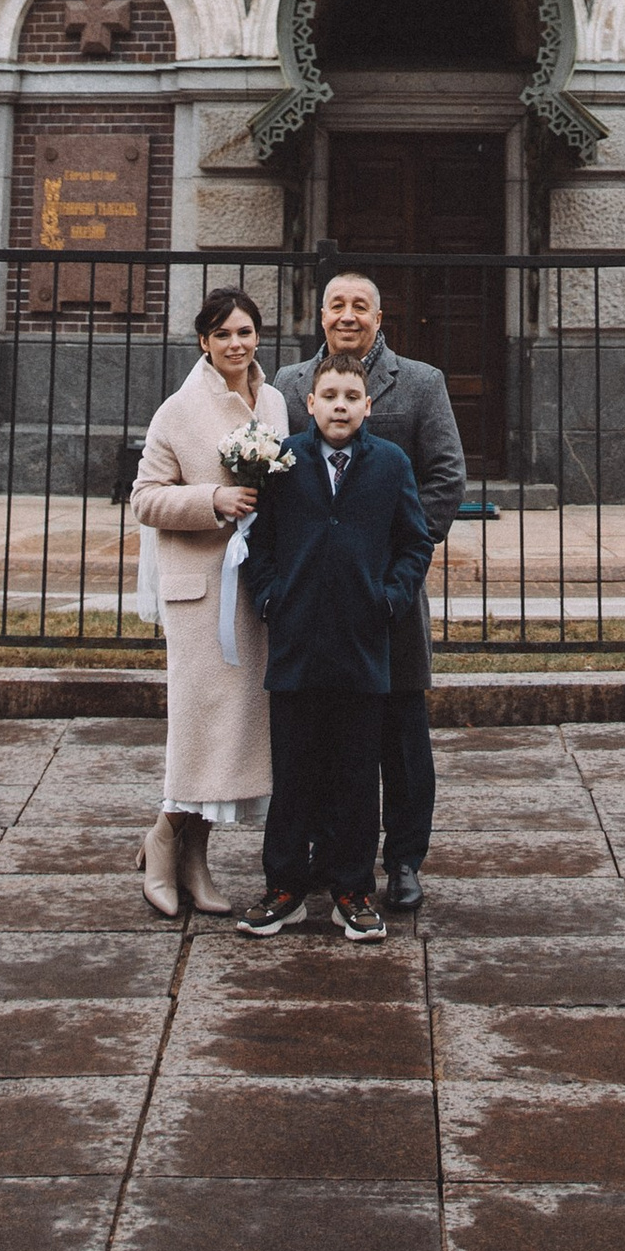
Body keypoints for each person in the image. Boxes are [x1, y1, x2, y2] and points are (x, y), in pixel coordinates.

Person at [275, 268, 466, 913]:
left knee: (402, 736)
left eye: (361, 306)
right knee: (330, 737)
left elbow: (445, 476)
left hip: (387, 599)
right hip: (317, 606)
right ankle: (334, 855)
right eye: (337, 305)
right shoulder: (291, 384)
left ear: (379, 319)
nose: (348, 315)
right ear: (320, 315)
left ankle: (406, 859)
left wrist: (393, 571)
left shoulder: (421, 383)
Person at [238, 357, 431, 941]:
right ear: (312, 404)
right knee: (294, 769)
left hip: (362, 644)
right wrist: (271, 598)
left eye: (352, 395)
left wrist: (391, 599)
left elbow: (413, 542)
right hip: (296, 643)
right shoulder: (284, 461)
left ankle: (352, 888)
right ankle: (286, 886)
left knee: (354, 770)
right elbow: (260, 542)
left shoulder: (390, 464)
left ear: (368, 406)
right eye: (330, 395)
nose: (341, 405)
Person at [128, 286, 287, 919]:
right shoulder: (178, 410)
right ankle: (163, 842)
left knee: (238, 731)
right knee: (198, 727)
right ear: (204, 341)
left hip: (257, 590)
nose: (235, 344)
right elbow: (144, 498)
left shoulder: (273, 400)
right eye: (223, 335)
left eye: (245, 332)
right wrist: (211, 502)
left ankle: (197, 858)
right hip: (201, 594)